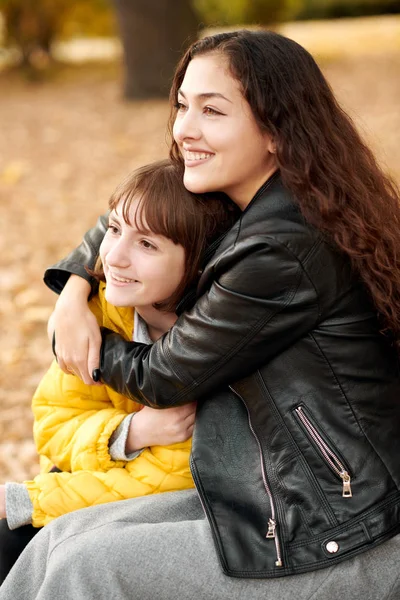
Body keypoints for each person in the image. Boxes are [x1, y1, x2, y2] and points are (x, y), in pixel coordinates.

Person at [1, 28, 400, 600]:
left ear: (276, 131)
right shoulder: (252, 199)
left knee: (84, 567)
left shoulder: (281, 248)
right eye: (183, 104)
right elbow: (130, 216)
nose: (185, 128)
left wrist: (77, 345)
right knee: (52, 544)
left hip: (341, 525)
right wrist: (72, 293)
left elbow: (165, 375)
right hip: (269, 489)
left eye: (213, 111)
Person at [0, 159, 237, 585]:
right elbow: (54, 424)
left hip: (174, 506)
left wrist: (23, 498)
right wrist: (131, 431)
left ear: (199, 264)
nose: (113, 257)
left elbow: (165, 482)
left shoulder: (215, 346)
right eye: (113, 230)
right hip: (101, 468)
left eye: (147, 245)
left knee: (44, 551)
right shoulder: (102, 310)